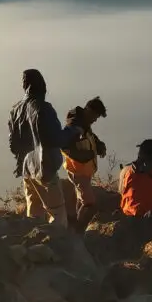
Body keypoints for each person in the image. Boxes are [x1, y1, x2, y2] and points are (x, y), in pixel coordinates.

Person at [9, 69, 82, 227]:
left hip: (27, 170)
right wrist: (73, 131)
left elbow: (13, 146)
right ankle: (55, 246)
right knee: (57, 215)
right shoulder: (44, 108)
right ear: (43, 86)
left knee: (33, 215)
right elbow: (56, 139)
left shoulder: (15, 110)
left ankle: (35, 245)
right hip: (45, 171)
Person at [61, 97, 107, 232]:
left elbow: (90, 137)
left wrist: (98, 145)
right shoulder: (75, 126)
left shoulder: (83, 123)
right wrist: (83, 156)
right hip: (78, 171)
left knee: (81, 200)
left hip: (83, 171)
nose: (95, 120)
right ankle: (77, 232)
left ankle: (74, 227)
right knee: (89, 204)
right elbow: (64, 146)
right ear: (88, 110)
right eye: (95, 116)